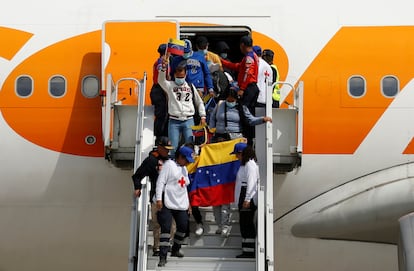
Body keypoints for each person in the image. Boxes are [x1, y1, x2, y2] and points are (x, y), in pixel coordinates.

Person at [131, 136, 173, 256]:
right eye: (166, 149)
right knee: (157, 223)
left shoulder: (171, 161)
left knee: (172, 224)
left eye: (169, 149)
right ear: (159, 147)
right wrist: (137, 187)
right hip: (156, 197)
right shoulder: (151, 161)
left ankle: (168, 245)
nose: (168, 151)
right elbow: (137, 176)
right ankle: (157, 247)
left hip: (171, 197)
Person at [158, 58, 207, 156]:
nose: (180, 78)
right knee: (173, 147)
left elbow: (199, 102)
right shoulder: (169, 85)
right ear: (174, 75)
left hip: (188, 120)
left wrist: (203, 115)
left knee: (190, 145)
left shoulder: (190, 86)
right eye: (178, 76)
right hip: (174, 120)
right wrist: (163, 69)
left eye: (182, 76)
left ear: (185, 74)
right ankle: (173, 166)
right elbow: (160, 80)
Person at [155, 145, 194, 267]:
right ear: (179, 157)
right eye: (186, 159)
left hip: (181, 203)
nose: (187, 162)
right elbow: (160, 182)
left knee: (183, 227)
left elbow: (184, 187)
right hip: (167, 202)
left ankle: (176, 249)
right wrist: (159, 199)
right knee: (166, 229)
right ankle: (163, 256)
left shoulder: (184, 169)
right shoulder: (169, 165)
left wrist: (188, 204)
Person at [220, 36, 260, 145]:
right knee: (248, 113)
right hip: (252, 88)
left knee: (245, 114)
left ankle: (248, 140)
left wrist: (242, 89)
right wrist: (223, 62)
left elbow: (247, 73)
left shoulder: (248, 58)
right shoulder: (253, 56)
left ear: (242, 45)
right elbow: (238, 67)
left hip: (249, 88)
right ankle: (249, 139)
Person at [230, 142, 259, 258]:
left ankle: (249, 252)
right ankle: (247, 250)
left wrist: (247, 199)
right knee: (244, 224)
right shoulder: (245, 165)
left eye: (237, 154)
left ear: (242, 153)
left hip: (247, 197)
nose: (236, 157)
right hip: (243, 196)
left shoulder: (250, 165)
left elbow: (251, 183)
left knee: (246, 225)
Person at [150, 44, 170, 141]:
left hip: (159, 89)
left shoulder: (160, 62)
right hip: (160, 90)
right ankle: (159, 137)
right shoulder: (161, 63)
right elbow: (162, 76)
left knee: (163, 114)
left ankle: (161, 136)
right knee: (162, 115)